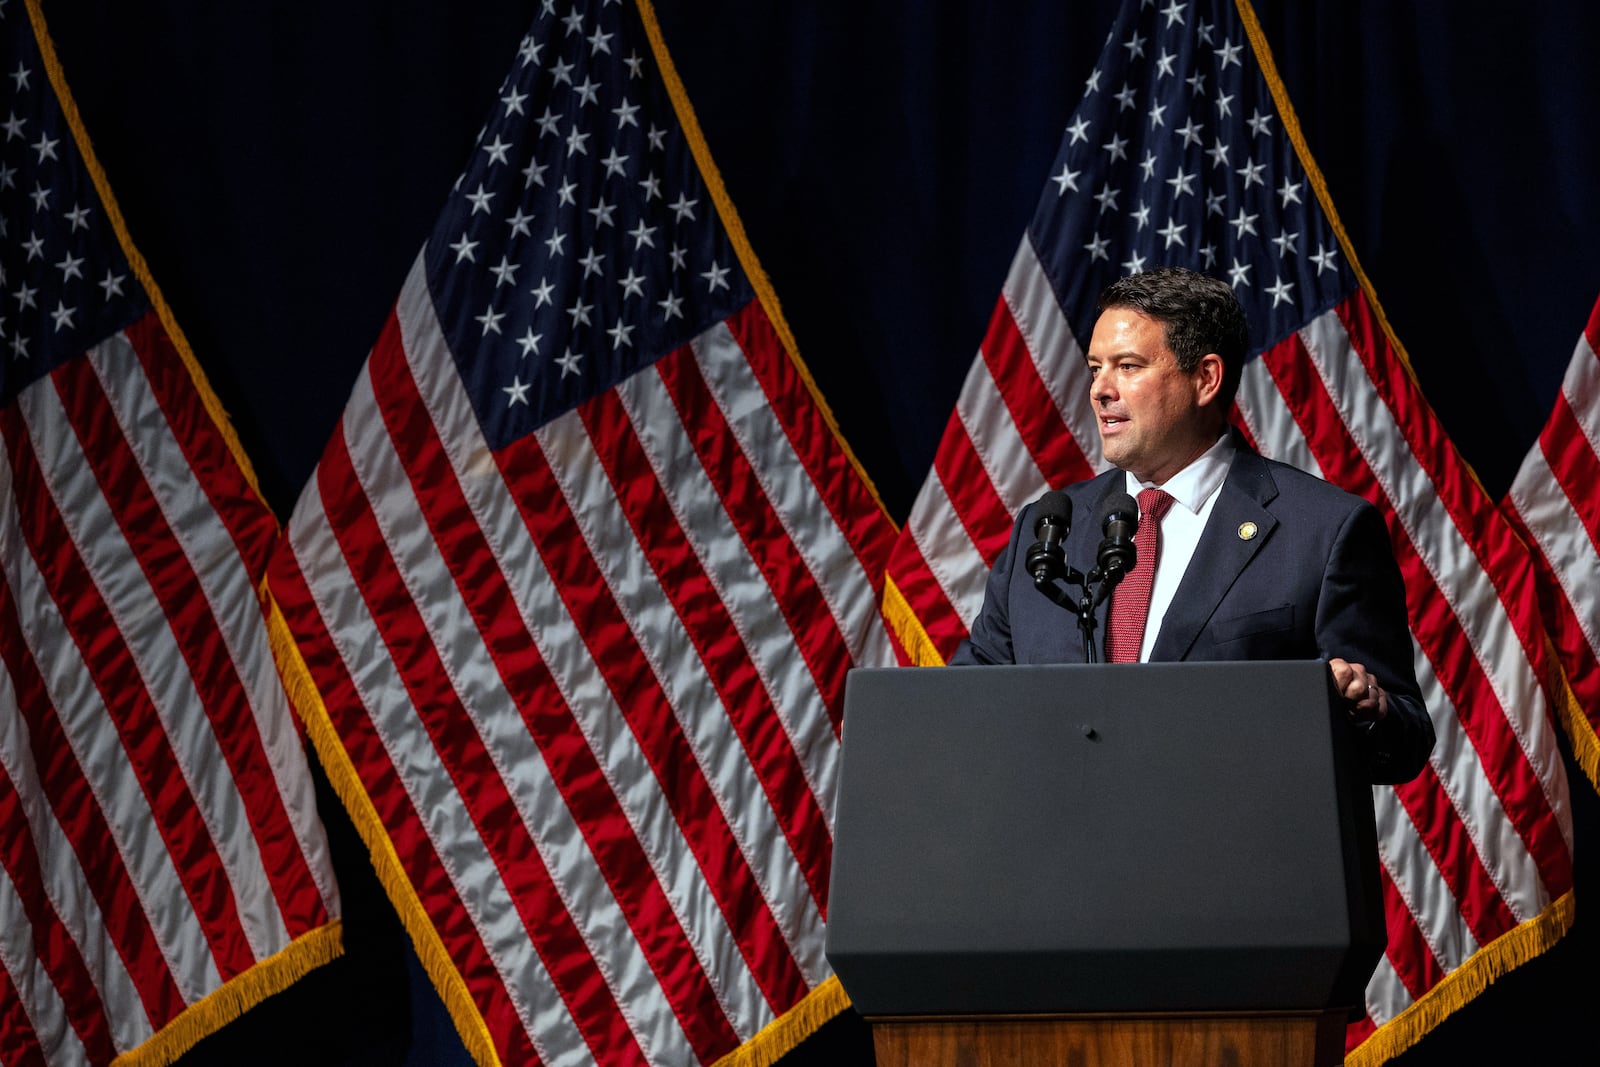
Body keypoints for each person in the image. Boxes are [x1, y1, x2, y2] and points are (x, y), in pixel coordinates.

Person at [950, 268, 1434, 784]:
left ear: (1206, 378)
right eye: (1095, 369)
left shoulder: (1323, 531)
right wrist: (906, 727)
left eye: (1128, 366)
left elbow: (1404, 739)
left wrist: (1364, 709)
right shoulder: (1048, 530)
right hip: (1061, 850)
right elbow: (974, 693)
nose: (1099, 390)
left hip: (1231, 852)